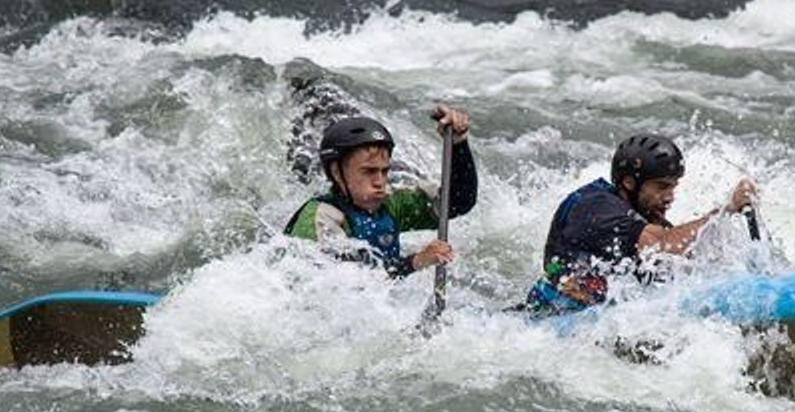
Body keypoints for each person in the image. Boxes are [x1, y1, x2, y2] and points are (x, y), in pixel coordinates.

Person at [526, 133, 756, 313]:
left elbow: (681, 256)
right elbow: (663, 244)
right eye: (662, 186)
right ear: (629, 183)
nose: (670, 197)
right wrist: (727, 209)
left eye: (673, 187)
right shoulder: (595, 207)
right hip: (549, 316)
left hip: (593, 312)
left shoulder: (644, 217)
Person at [284, 108, 477, 278]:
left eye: (384, 171)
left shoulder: (391, 204)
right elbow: (344, 288)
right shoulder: (319, 218)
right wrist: (415, 262)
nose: (379, 182)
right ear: (336, 172)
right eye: (368, 171)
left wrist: (458, 144)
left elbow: (458, 202)